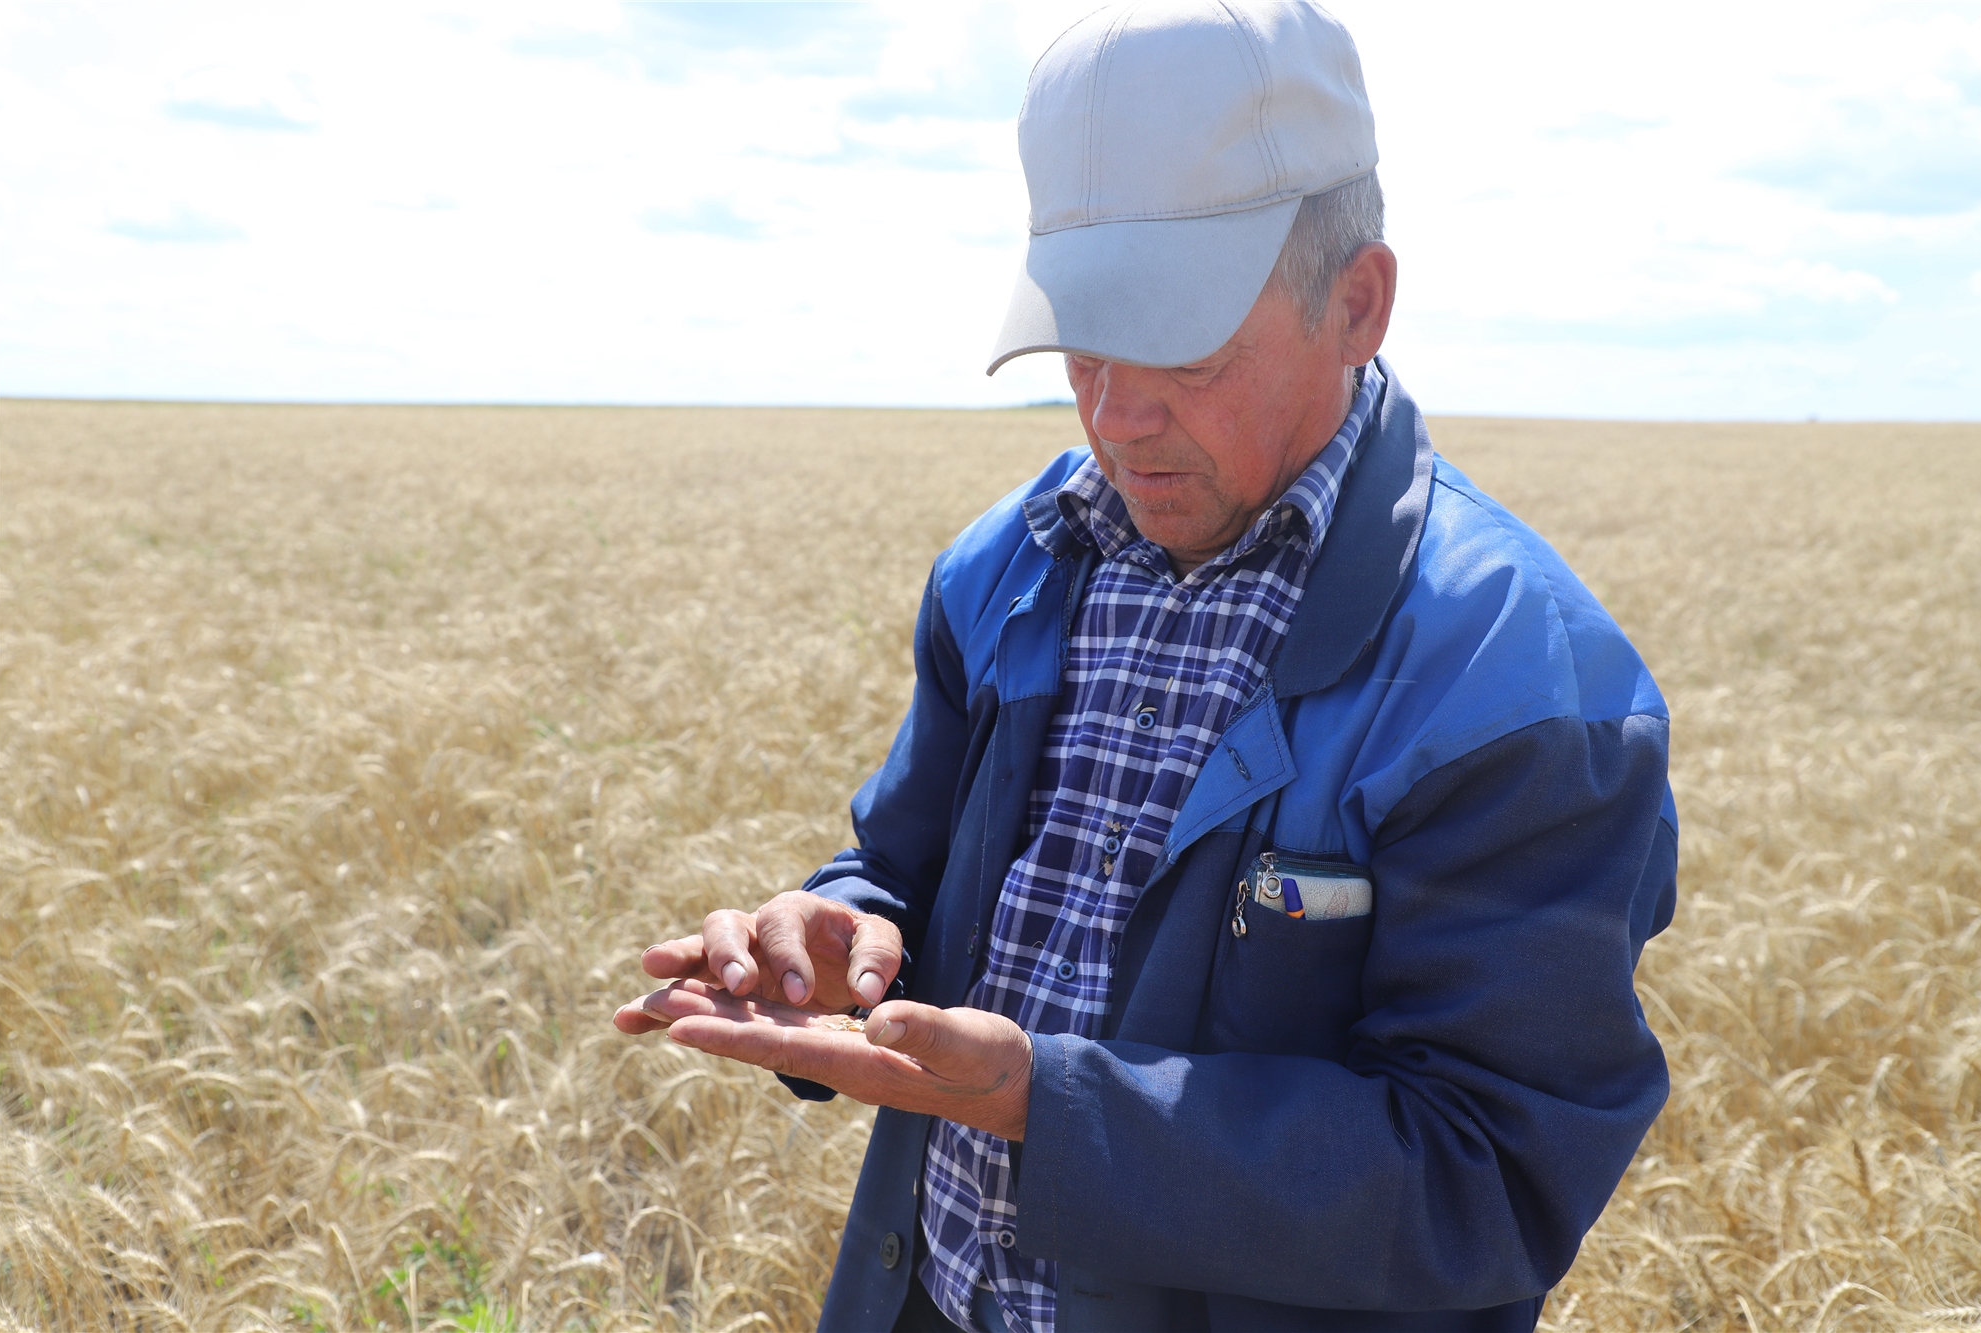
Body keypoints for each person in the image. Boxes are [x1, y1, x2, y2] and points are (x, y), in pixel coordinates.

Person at [613, 3, 1677, 1330]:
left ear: (1358, 302)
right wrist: (843, 934)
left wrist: (1044, 1105)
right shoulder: (1006, 567)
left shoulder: (1521, 690)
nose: (1118, 417)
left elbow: (1492, 1176)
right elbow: (905, 864)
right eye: (1085, 343)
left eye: (1181, 346)